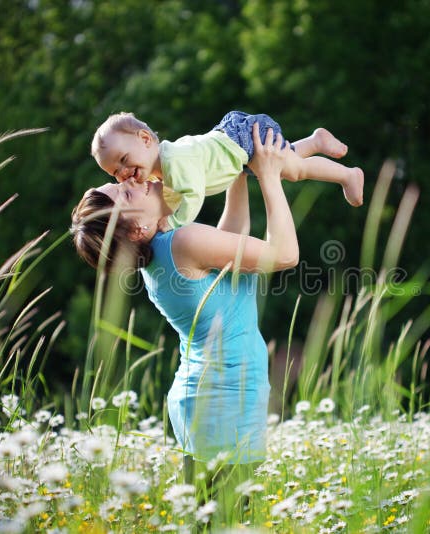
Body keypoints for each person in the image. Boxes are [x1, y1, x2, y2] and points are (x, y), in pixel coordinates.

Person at [71, 124, 301, 507]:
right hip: (224, 404)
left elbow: (231, 240)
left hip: (207, 401)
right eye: (126, 189)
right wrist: (270, 176)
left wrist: (238, 170)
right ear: (139, 228)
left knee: (213, 517)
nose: (136, 179)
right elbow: (285, 255)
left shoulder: (164, 253)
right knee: (229, 520)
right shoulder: (181, 242)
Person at [90, 110, 364, 229]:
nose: (124, 172)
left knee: (295, 171)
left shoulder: (174, 161)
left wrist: (171, 223)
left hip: (244, 141)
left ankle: (347, 175)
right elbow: (173, 198)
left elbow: (193, 196)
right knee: (284, 163)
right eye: (115, 172)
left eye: (124, 159)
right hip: (238, 152)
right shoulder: (160, 171)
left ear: (146, 139)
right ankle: (315, 141)